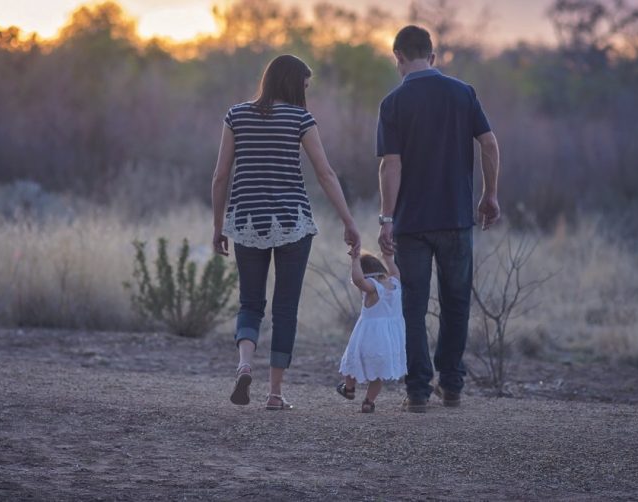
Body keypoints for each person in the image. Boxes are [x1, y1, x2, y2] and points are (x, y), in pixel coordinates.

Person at [211, 54, 361, 411]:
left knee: (250, 302)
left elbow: (220, 176)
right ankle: (275, 393)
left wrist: (219, 226)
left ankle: (245, 364)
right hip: (293, 222)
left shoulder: (236, 115)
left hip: (246, 221)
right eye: (305, 86)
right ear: (294, 84)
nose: (306, 93)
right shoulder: (300, 119)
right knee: (285, 309)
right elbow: (325, 174)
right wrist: (348, 221)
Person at [376, 26, 501, 412]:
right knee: (456, 302)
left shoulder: (393, 103)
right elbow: (490, 144)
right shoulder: (463, 94)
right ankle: (452, 385)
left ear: (398, 57)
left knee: (413, 306)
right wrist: (489, 194)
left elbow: (390, 166)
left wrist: (386, 218)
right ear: (432, 56)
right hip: (456, 218)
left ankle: (417, 391)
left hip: (412, 224)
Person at [336, 250, 407, 413]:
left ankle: (349, 388)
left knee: (352, 362)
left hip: (369, 337)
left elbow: (358, 280)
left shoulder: (373, 288)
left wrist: (355, 260)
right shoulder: (395, 283)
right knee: (378, 373)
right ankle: (368, 402)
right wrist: (388, 257)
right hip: (389, 340)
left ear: (366, 274)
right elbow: (395, 270)